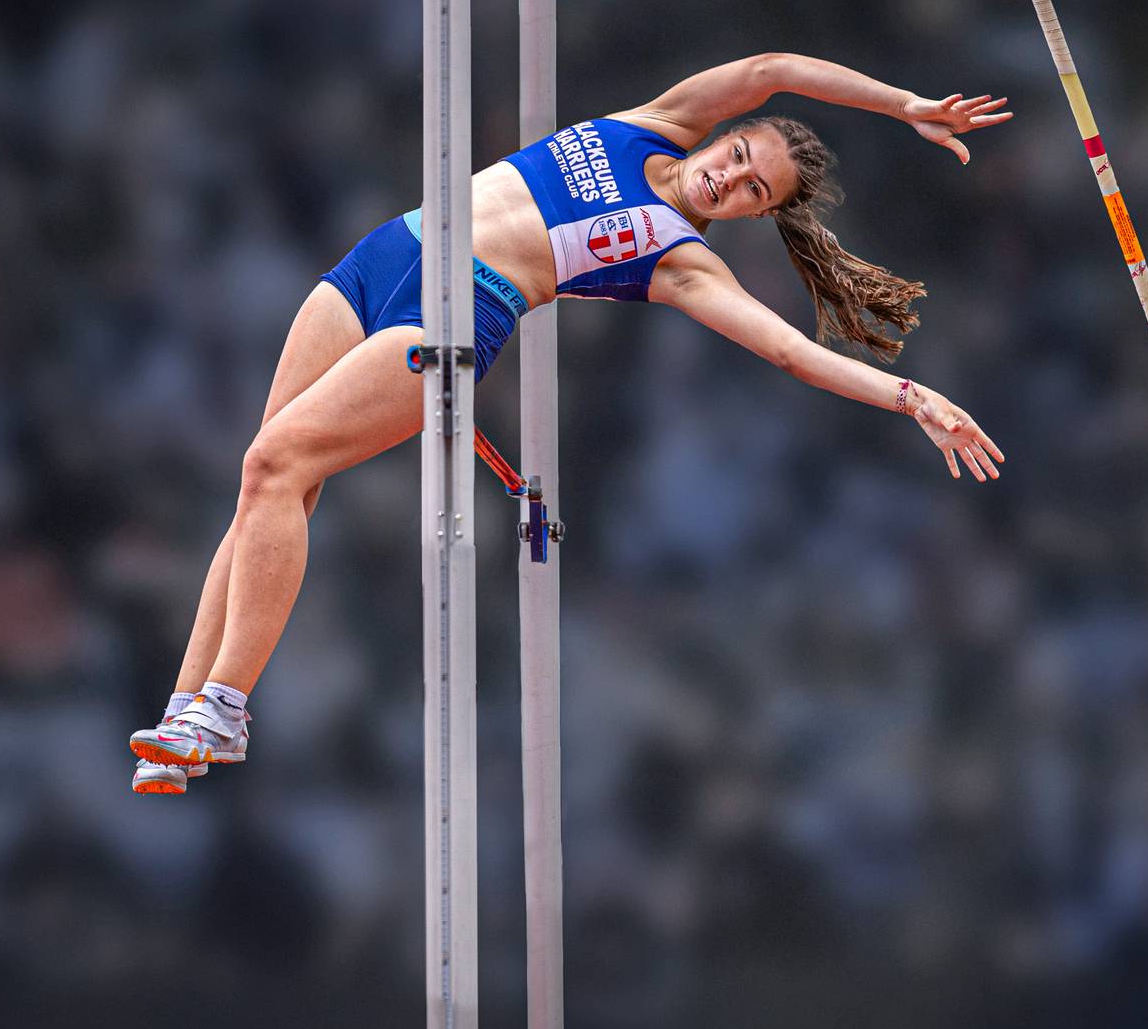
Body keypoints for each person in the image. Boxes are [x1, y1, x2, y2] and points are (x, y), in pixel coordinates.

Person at [129, 53, 1012, 794]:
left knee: (278, 464)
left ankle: (228, 709)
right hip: (384, 255)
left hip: (451, 314)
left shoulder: (679, 258)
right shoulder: (655, 124)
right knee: (267, 478)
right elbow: (772, 69)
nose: (733, 178)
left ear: (754, 212)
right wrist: (903, 105)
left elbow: (787, 350)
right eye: (741, 154)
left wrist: (912, 398)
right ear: (724, 131)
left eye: (752, 190)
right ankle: (186, 714)